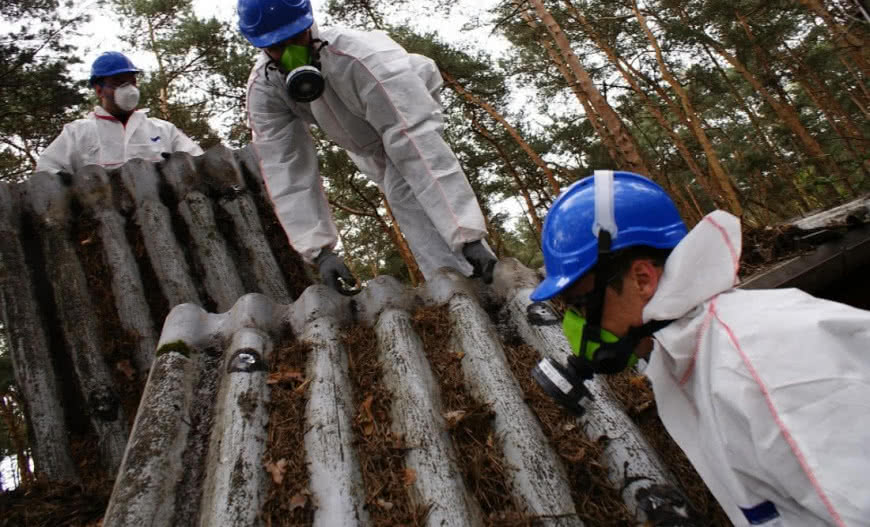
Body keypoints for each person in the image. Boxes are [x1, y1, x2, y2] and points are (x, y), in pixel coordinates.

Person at [531, 170, 870, 526]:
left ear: (642, 279)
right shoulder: (690, 356)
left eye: (582, 306)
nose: (577, 326)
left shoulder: (768, 360)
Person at [237, 0, 498, 295]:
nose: (290, 55)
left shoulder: (359, 56)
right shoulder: (266, 88)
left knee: (406, 192)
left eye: (295, 39)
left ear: (309, 25)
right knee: (404, 196)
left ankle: (466, 285)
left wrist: (467, 233)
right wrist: (319, 251)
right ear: (260, 46)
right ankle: (461, 285)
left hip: (406, 103)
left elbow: (415, 142)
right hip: (362, 143)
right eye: (276, 47)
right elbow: (285, 168)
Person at [36, 51, 203, 176]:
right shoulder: (77, 133)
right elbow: (46, 169)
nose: (129, 89)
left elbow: (199, 161)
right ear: (99, 90)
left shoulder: (163, 130)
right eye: (118, 82)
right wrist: (68, 182)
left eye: (132, 82)